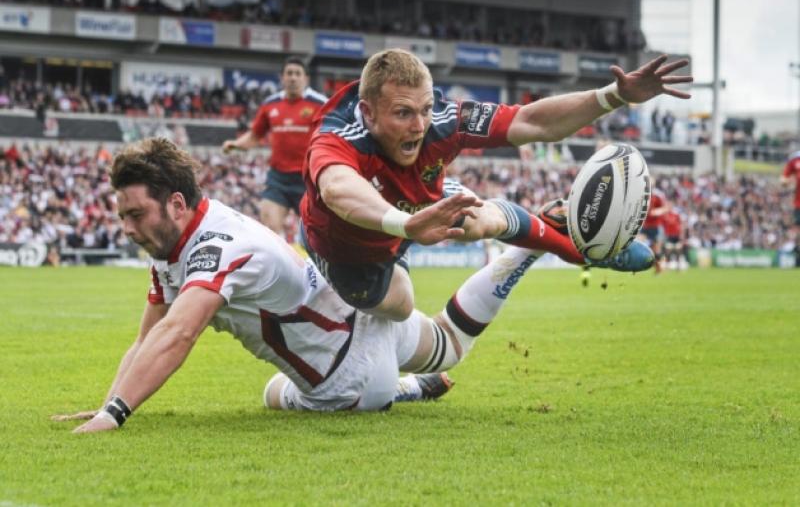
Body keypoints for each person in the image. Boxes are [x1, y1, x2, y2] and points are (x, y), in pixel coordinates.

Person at [52, 138, 547, 433]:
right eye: (123, 216)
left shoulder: (215, 248)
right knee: (447, 344)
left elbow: (176, 335)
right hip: (361, 311)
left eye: (135, 214)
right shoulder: (177, 245)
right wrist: (105, 403)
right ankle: (528, 248)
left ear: (177, 205)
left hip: (345, 381)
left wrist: (114, 415)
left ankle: (399, 389)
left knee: (274, 393)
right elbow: (146, 338)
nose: (127, 228)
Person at [300, 49, 692, 320]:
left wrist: (614, 95)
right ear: (368, 112)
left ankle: (577, 247)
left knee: (474, 217)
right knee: (402, 307)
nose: (419, 126)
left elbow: (531, 122)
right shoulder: (337, 135)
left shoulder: (444, 119)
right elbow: (337, 189)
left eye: (425, 109)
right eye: (402, 113)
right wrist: (405, 226)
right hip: (351, 249)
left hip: (419, 211)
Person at [222, 57, 326, 237]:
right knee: (270, 229)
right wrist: (236, 144)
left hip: (309, 179)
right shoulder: (270, 104)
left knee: (316, 235)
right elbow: (255, 135)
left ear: (306, 79)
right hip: (278, 179)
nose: (293, 78)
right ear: (282, 78)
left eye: (297, 74)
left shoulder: (320, 103)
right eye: (289, 73)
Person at [781, 149, 800, 267]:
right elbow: (784, 179)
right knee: (797, 226)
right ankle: (797, 248)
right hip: (798, 203)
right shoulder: (795, 160)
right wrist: (788, 182)